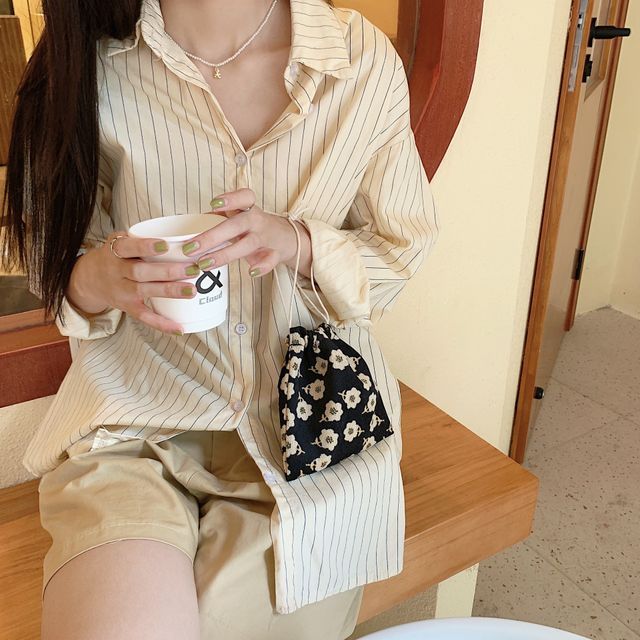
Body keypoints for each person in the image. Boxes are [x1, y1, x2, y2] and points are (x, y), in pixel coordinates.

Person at [2, 0, 440, 638]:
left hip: (310, 434)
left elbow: (402, 247)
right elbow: (49, 256)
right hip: (135, 426)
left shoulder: (359, 62)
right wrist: (97, 277)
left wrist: (301, 243)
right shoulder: (91, 64)